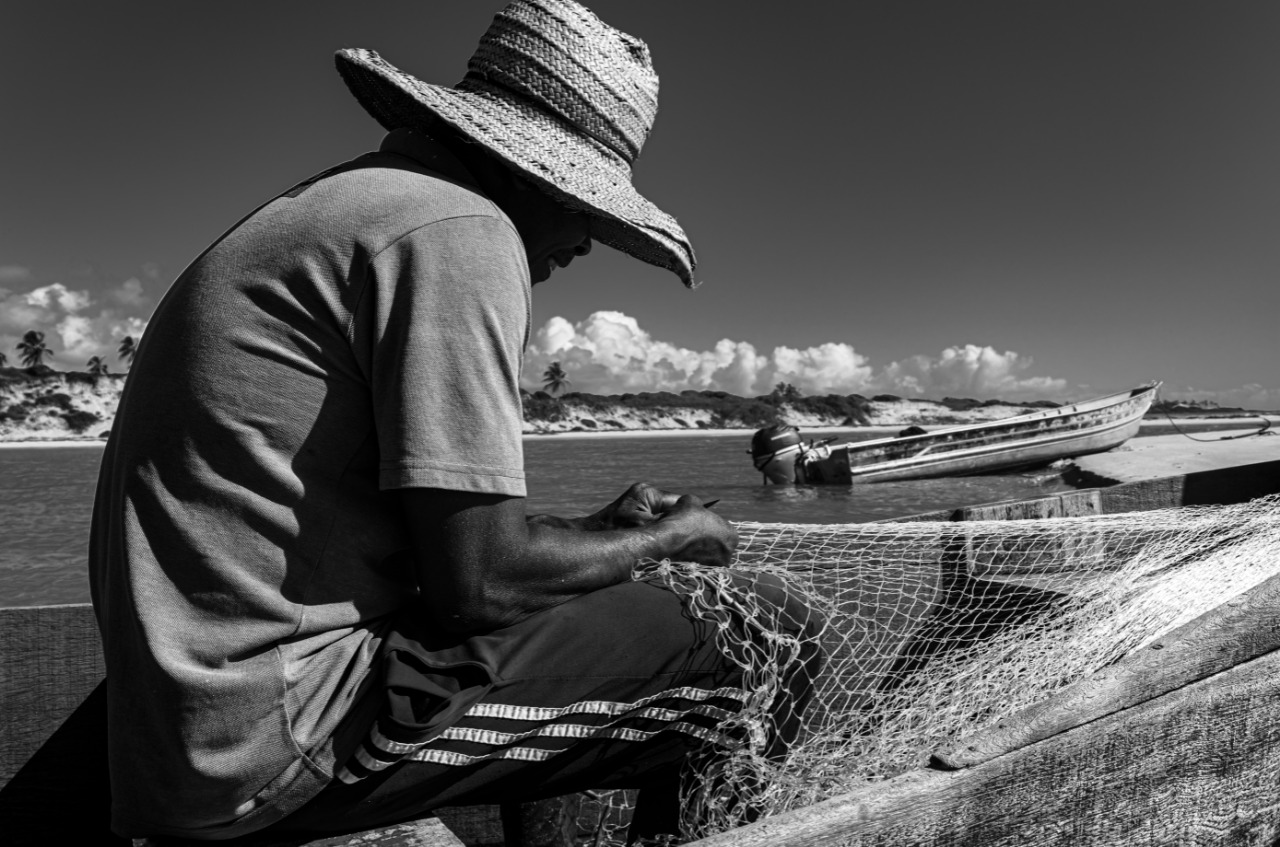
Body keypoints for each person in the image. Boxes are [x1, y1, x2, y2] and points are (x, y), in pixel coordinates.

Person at [89, 1, 818, 842]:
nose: (585, 242)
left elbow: (444, 552)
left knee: (618, 608)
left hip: (187, 732)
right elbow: (482, 586)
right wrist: (662, 540)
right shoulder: (463, 232)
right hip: (268, 742)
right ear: (533, 171)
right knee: (769, 628)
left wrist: (594, 530)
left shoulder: (355, 204)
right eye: (588, 211)